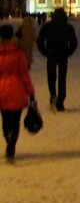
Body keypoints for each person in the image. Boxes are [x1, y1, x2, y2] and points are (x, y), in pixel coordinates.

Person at [0, 23, 36, 162]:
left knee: (5, 122)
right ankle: (11, 145)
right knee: (15, 122)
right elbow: (24, 75)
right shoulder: (19, 52)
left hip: (1, 92)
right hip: (16, 90)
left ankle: (7, 138)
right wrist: (31, 93)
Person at [36, 7, 77, 111]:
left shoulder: (47, 26)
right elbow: (73, 42)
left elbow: (40, 40)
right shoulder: (68, 27)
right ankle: (61, 101)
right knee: (62, 78)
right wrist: (69, 51)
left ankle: (53, 96)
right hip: (63, 55)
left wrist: (45, 51)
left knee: (51, 77)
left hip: (51, 54)